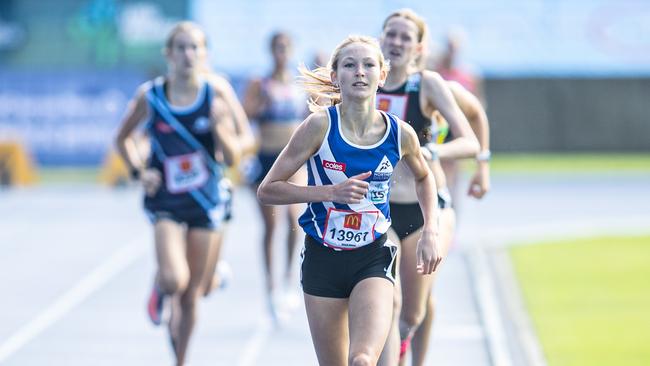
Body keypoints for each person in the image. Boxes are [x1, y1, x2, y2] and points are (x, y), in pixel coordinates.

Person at [257, 34, 443, 366]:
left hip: (373, 254)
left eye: (369, 64)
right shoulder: (318, 127)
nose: (360, 71)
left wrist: (431, 231)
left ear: (381, 76)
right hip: (322, 257)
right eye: (349, 65)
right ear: (335, 76)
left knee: (362, 360)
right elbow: (268, 189)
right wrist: (328, 193)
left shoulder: (399, 133)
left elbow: (425, 177)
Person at [115, 21, 246, 366]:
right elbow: (122, 138)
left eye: (195, 48)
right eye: (181, 48)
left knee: (193, 294)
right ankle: (161, 286)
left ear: (205, 54)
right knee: (175, 279)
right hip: (167, 200)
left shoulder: (217, 92)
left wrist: (220, 129)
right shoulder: (152, 95)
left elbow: (241, 148)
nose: (188, 55)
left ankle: (181, 360)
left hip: (207, 199)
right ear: (168, 54)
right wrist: (139, 172)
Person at [375, 9, 481, 366]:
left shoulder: (429, 85)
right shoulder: (364, 81)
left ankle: (411, 355)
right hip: (378, 211)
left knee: (412, 314)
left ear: (419, 46)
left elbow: (471, 135)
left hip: (425, 210)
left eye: (406, 37)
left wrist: (433, 151)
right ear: (381, 38)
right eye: (391, 34)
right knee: (387, 301)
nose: (397, 42)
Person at [242, 31, 307, 320]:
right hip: (267, 159)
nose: (282, 52)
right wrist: (262, 104)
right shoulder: (260, 82)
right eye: (277, 48)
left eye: (286, 47)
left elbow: (309, 116)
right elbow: (245, 115)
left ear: (291, 50)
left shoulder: (298, 83)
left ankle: (288, 279)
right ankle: (270, 289)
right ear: (271, 51)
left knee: (296, 222)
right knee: (271, 226)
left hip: (293, 161)